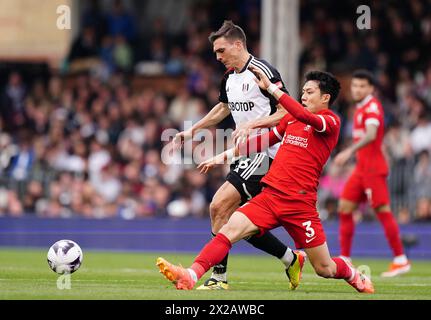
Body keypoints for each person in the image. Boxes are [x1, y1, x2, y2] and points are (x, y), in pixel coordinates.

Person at [157, 69, 374, 293]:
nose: (304, 96)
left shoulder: (330, 122)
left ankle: (352, 273)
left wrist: (272, 89)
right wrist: (223, 156)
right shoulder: (291, 119)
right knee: (228, 229)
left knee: (324, 268)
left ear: (325, 97)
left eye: (309, 92)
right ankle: (191, 275)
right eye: (303, 92)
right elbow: (264, 141)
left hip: (300, 205)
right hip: (270, 196)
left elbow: (305, 116)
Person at [170, 20, 298, 290]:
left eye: (221, 51)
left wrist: (253, 125)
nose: (218, 57)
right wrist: (191, 131)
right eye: (216, 52)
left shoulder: (262, 71)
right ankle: (290, 258)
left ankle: (218, 278)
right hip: (246, 154)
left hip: (268, 153)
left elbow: (287, 111)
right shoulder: (229, 77)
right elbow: (222, 109)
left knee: (218, 206)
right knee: (238, 221)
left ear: (238, 45)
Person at [334, 69, 411, 277]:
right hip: (361, 169)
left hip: (373, 169)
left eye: (362, 86)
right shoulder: (359, 108)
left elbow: (371, 134)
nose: (357, 89)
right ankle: (345, 258)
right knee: (344, 207)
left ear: (371, 89)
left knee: (382, 210)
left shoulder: (372, 107)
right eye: (355, 86)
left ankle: (400, 259)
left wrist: (349, 150)